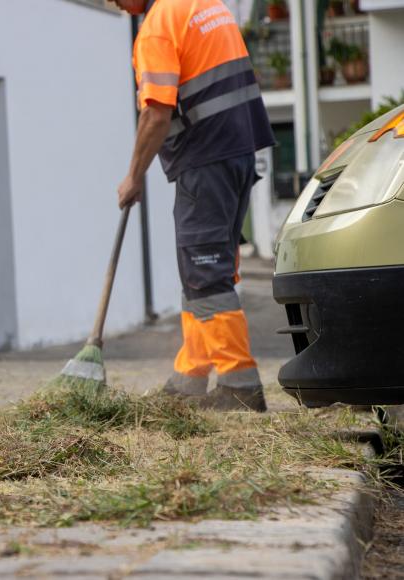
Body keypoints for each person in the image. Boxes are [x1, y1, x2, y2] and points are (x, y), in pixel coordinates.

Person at [108, 0, 276, 411]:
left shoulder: (157, 28)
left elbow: (157, 113)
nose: (110, 2)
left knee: (204, 270)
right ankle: (191, 375)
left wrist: (134, 174)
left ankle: (239, 383)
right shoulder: (202, 4)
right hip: (239, 149)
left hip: (206, 158)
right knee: (209, 267)